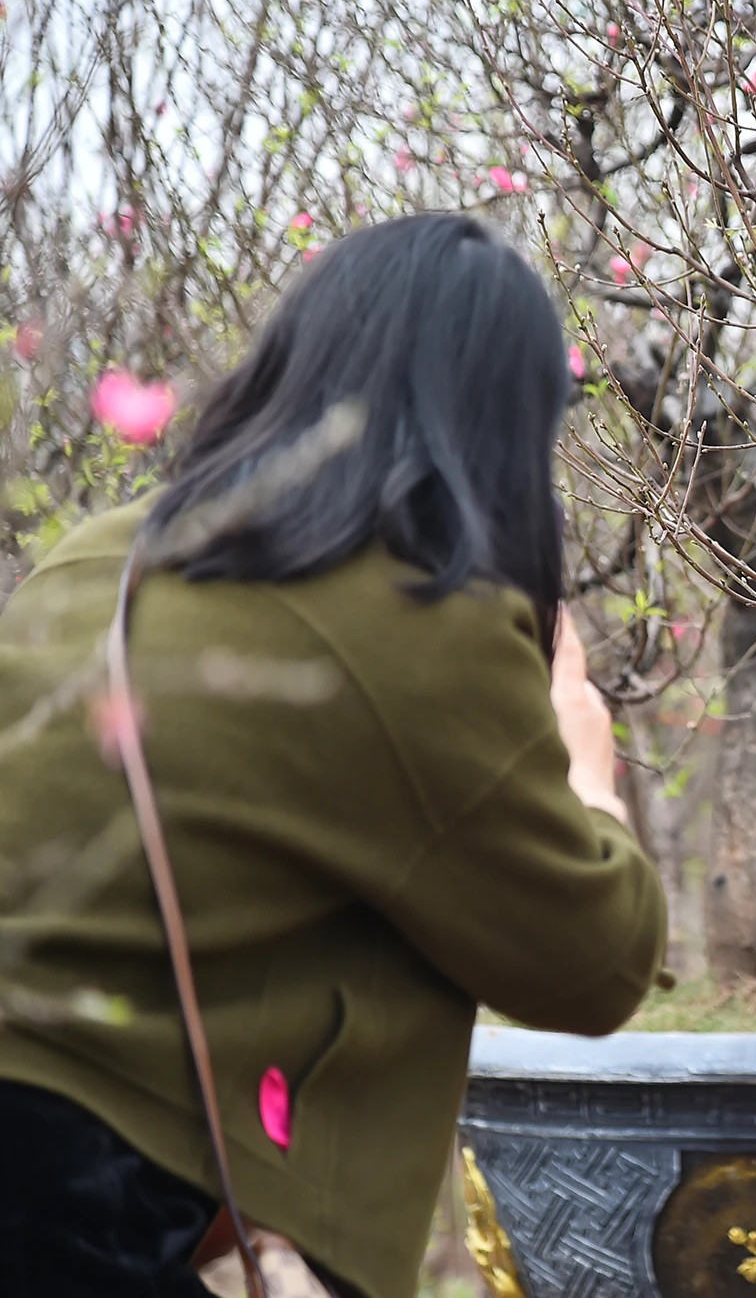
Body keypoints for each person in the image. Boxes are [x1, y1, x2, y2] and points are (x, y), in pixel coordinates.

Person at [0, 214, 670, 1297]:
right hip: (82, 1196)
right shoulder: (421, 612)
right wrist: (586, 763)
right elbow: (594, 963)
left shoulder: (104, 554)